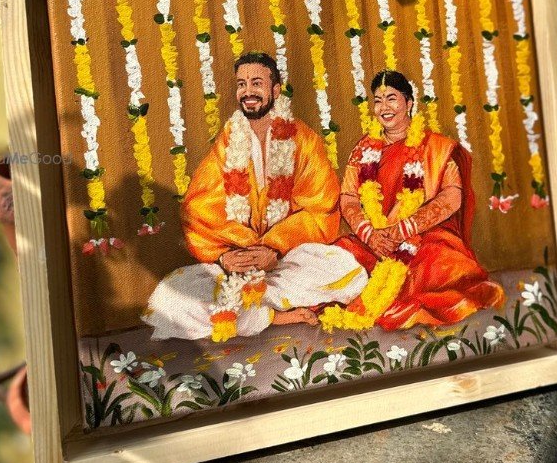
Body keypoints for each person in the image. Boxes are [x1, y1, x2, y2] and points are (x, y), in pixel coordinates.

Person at [144, 52, 368, 342]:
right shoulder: (228, 141)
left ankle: (256, 310)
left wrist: (274, 249)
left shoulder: (303, 138)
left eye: (256, 83)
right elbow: (198, 210)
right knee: (170, 299)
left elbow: (321, 208)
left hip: (285, 260)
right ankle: (275, 315)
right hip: (236, 264)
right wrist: (227, 257)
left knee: (345, 269)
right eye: (241, 84)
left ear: (275, 90)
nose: (248, 92)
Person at [331, 69, 504, 332]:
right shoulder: (364, 149)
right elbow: (348, 197)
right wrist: (370, 235)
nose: (384, 107)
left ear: (409, 103)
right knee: (334, 259)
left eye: (391, 98)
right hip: (373, 240)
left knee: (441, 269)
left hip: (423, 238)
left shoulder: (435, 147)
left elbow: (452, 196)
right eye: (377, 100)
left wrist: (403, 229)